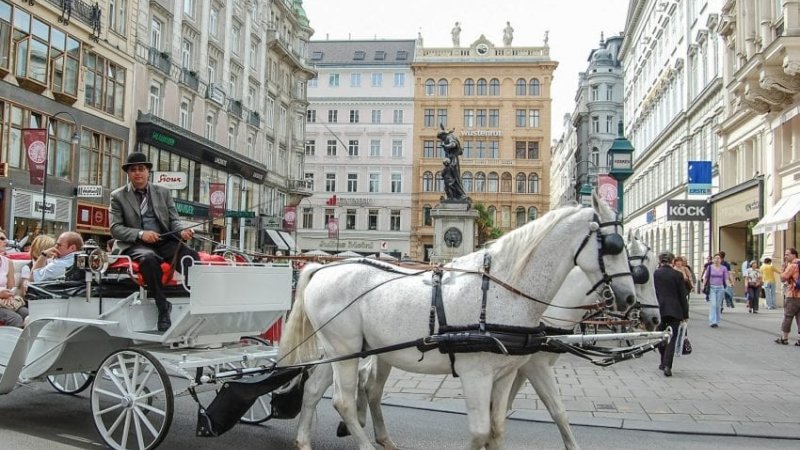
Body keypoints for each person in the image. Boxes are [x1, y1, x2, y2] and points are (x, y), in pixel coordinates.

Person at [110, 152, 199, 332]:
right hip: (136, 244)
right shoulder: (118, 196)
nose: (138, 173)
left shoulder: (163, 192)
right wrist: (141, 234)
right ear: (128, 173)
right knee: (149, 259)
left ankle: (197, 300)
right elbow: (115, 228)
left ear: (148, 171)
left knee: (189, 256)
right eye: (133, 170)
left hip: (163, 239)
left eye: (141, 169)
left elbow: (173, 220)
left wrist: (182, 231)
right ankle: (162, 306)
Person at [654, 252, 688, 377]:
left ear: (660, 260)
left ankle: (663, 360)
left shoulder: (655, 274)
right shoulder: (678, 275)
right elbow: (682, 296)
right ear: (672, 261)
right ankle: (667, 365)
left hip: (659, 310)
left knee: (659, 336)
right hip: (675, 310)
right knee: (672, 338)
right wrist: (685, 314)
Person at [0, 229, 27, 328]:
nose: (5, 241)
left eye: (5, 239)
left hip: (5, 301)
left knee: (26, 313)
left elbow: (12, 287)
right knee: (15, 319)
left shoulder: (8, 262)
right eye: (1, 238)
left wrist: (10, 295)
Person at [775, 247, 800, 345]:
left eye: (787, 254)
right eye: (785, 254)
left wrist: (783, 268)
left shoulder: (792, 266)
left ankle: (784, 338)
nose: (785, 256)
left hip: (793, 295)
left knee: (788, 316)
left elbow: (783, 278)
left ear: (794, 255)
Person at [437, 128, 467, 201]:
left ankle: (461, 195)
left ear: (443, 135)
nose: (441, 139)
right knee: (452, 181)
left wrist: (445, 146)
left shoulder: (449, 137)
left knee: (455, 179)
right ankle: (453, 196)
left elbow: (453, 144)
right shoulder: (446, 138)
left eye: (441, 137)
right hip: (450, 159)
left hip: (453, 161)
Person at [703, 253, 729, 328]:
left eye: (719, 258)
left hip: (720, 288)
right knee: (713, 304)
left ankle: (717, 320)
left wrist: (728, 285)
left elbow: (726, 278)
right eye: (716, 258)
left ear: (721, 260)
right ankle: (712, 321)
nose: (717, 260)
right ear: (713, 260)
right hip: (712, 288)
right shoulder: (710, 267)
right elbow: (706, 277)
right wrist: (703, 285)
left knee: (718, 305)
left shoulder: (724, 268)